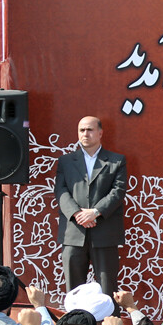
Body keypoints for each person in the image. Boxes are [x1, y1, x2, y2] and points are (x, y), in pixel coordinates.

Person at [53, 116, 128, 292]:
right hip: (73, 233)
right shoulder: (66, 161)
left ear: (100, 133)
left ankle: (110, 313)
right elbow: (61, 191)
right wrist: (77, 214)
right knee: (73, 290)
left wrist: (95, 212)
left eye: (90, 130)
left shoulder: (116, 160)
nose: (85, 134)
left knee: (108, 288)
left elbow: (118, 191)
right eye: (82, 130)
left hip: (104, 233)